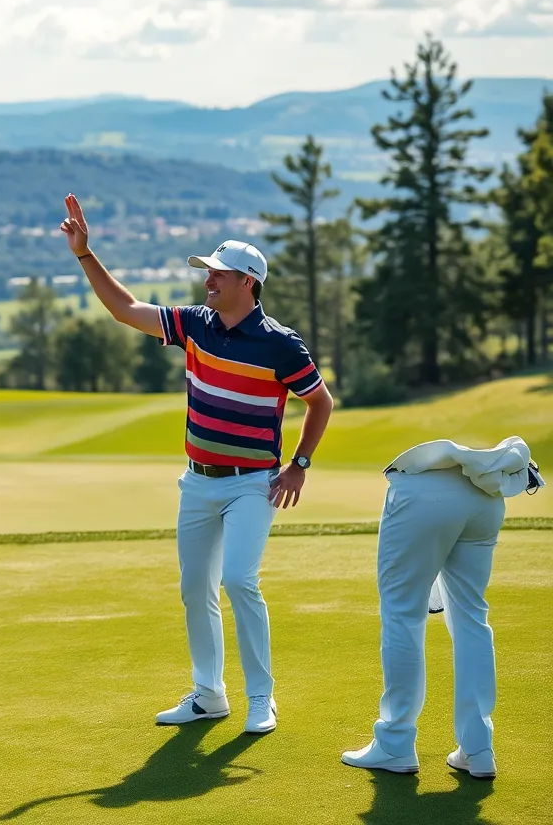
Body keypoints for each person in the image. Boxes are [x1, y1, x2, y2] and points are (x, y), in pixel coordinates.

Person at [60, 193, 334, 734]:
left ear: (247, 283)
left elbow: (319, 401)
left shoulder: (282, 345)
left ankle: (262, 697)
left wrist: (299, 463)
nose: (208, 280)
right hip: (198, 482)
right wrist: (85, 255)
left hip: (253, 482)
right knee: (195, 590)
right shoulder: (194, 324)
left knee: (239, 580)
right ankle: (209, 694)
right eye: (208, 272)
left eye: (219, 274)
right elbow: (125, 310)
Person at [341, 437, 544, 779]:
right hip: (485, 501)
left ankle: (395, 743)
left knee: (402, 614)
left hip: (424, 496)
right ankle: (478, 749)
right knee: (472, 617)